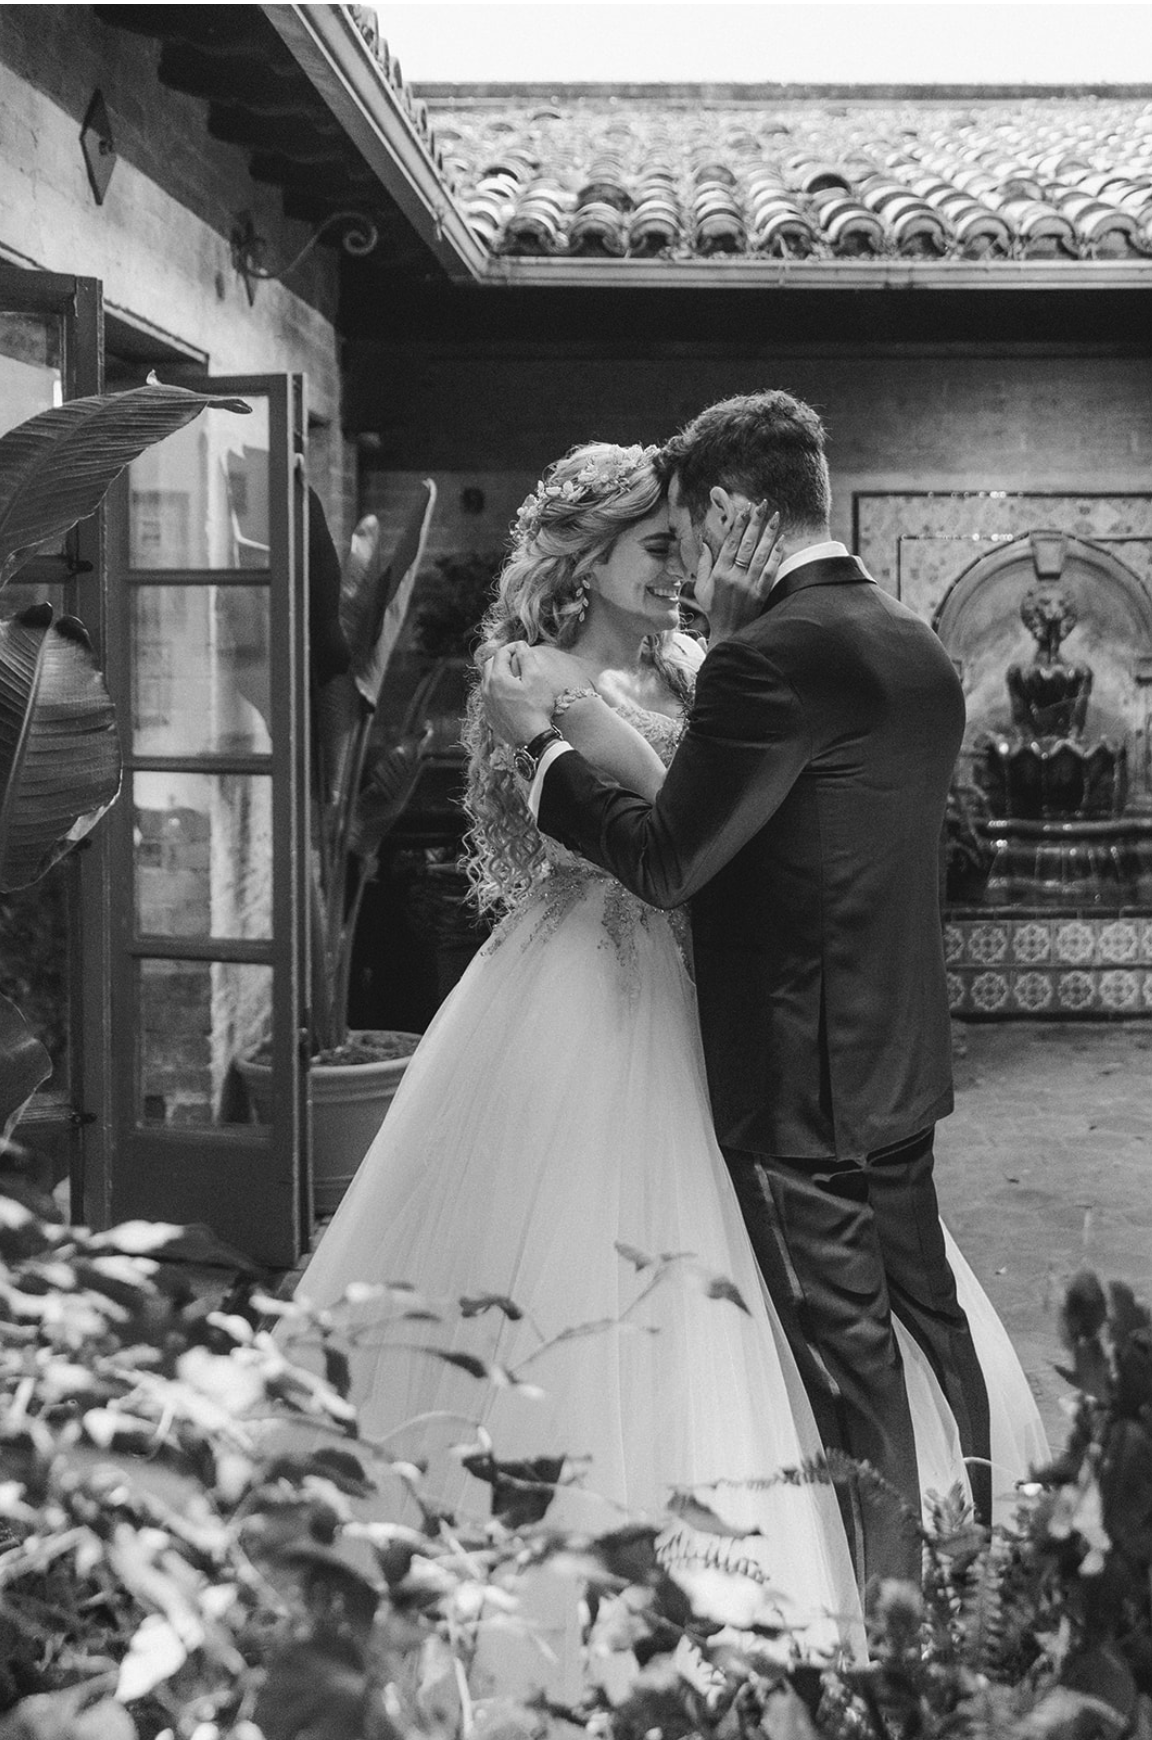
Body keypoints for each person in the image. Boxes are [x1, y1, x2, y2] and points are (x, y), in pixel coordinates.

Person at [285, 442, 873, 1688]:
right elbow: (665, 824)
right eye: (659, 547)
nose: (682, 571)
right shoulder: (525, 675)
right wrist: (614, 730)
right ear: (586, 559)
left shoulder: (691, 663)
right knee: (576, 1241)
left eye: (685, 547)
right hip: (579, 987)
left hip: (697, 984)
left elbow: (735, 824)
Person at [481, 394, 1049, 1592]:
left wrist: (542, 750)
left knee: (852, 1379)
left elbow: (669, 859)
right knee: (931, 1333)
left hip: (800, 1082)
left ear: (733, 512)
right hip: (894, 1062)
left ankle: (901, 1629)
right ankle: (987, 1569)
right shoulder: (912, 643)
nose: (685, 565)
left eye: (688, 531)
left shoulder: (762, 663)